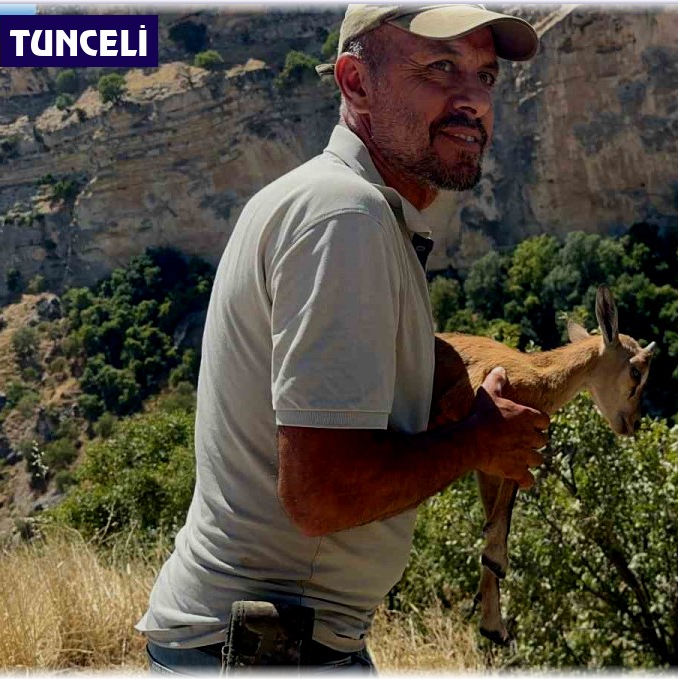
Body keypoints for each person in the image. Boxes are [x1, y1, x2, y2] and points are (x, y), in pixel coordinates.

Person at [137, 4, 548, 672]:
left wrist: (430, 384)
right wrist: (478, 439)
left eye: (485, 75)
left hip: (277, 642)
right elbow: (321, 494)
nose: (473, 97)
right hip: (265, 649)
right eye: (441, 66)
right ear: (356, 82)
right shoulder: (343, 216)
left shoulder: (352, 211)